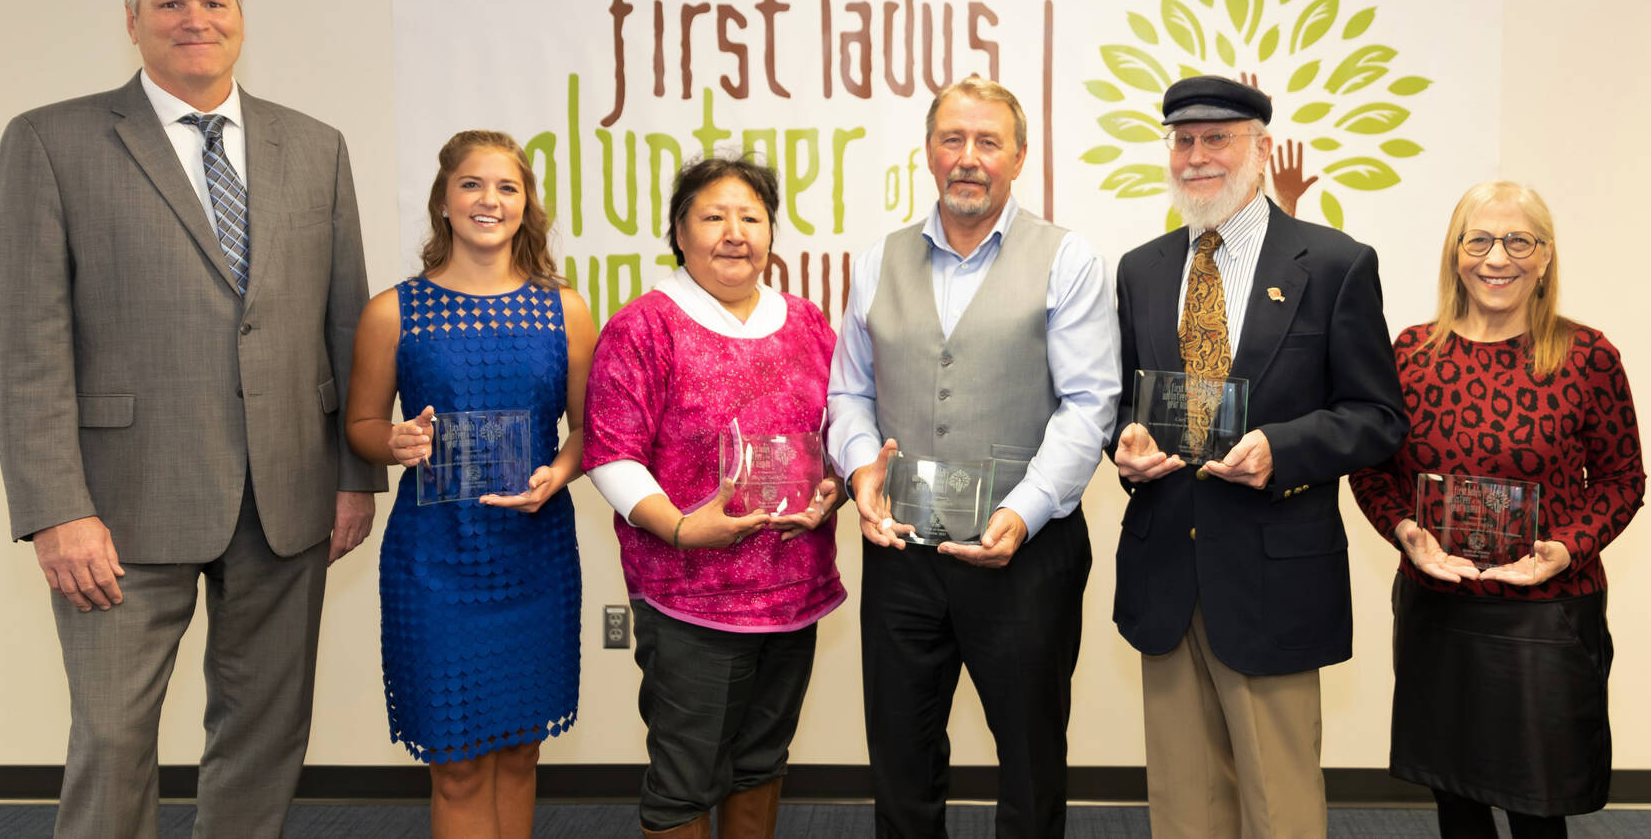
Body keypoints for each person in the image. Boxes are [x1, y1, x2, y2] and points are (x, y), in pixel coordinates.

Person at [0, 0, 381, 838]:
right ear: (131, 20)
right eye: (169, 3)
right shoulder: (52, 141)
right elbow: (24, 343)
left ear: (242, 16)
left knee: (265, 732)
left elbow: (343, 320)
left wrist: (354, 476)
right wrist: (55, 508)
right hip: (118, 507)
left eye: (213, 1)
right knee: (115, 739)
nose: (193, 18)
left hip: (287, 494)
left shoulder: (313, 146)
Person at [1109, 75, 1405, 839]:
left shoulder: (1335, 264)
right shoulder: (1141, 269)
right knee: (1183, 804)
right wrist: (1125, 445)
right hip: (1167, 568)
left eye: (1218, 138)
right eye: (1183, 139)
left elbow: (1377, 418)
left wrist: (1283, 447)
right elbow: (1122, 403)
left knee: (1279, 806)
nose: (1197, 156)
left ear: (1262, 149)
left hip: (1274, 570)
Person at [827, 75, 1118, 838]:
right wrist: (862, 472)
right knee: (900, 756)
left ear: (1018, 157)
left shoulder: (1068, 259)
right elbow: (848, 394)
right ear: (928, 151)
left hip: (1025, 553)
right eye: (952, 139)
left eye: (988, 141)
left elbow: (1088, 405)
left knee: (1029, 762)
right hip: (900, 554)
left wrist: (1021, 514)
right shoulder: (875, 260)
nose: (968, 157)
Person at [1349, 181, 1646, 838]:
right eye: (1478, 239)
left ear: (1545, 257)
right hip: (1440, 605)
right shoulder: (1412, 353)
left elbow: (1622, 480)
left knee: (1539, 809)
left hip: (1547, 614)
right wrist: (1406, 532)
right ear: (1456, 252)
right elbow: (1374, 469)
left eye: (1518, 241)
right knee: (1456, 799)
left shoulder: (1587, 355)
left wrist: (1565, 548)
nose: (1496, 258)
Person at [582, 155, 846, 839]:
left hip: (794, 590)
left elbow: (837, 429)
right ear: (678, 229)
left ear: (771, 232)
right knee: (685, 779)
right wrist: (679, 527)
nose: (735, 232)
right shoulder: (645, 326)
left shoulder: (808, 322)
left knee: (762, 762)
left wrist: (835, 487)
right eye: (713, 216)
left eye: (751, 217)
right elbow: (611, 451)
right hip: (690, 593)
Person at [344, 130, 595, 838]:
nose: (490, 199)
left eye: (507, 187)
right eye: (473, 185)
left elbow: (587, 430)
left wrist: (559, 473)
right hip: (434, 560)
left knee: (519, 748)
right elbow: (362, 421)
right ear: (445, 201)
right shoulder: (392, 311)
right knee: (455, 760)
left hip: (535, 553)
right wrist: (393, 442)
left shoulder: (565, 309)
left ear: (526, 206)